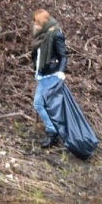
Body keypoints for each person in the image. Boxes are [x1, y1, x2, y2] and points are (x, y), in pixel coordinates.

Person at [30, 10, 67, 148]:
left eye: (37, 22)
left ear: (43, 22)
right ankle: (56, 132)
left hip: (51, 75)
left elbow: (63, 55)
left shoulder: (56, 35)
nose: (35, 25)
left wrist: (60, 73)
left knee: (39, 104)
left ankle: (53, 133)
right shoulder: (41, 36)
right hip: (42, 75)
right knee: (47, 105)